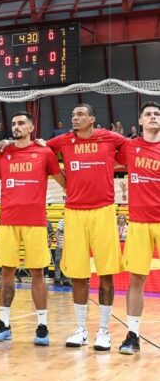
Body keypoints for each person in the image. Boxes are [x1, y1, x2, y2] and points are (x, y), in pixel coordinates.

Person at [44, 104, 126, 350]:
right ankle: (80, 329)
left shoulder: (108, 137)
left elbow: (131, 149)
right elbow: (42, 150)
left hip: (103, 210)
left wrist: (115, 163)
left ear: (92, 119)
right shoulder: (64, 140)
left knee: (106, 273)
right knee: (78, 274)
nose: (75, 118)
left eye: (80, 114)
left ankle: (104, 331)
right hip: (74, 212)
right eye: (73, 115)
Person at [0, 112, 65, 346]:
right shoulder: (3, 153)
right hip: (7, 221)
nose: (16, 126)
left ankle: (42, 326)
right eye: (14, 123)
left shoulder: (44, 153)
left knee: (37, 274)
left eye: (21, 123)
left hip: (35, 222)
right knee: (6, 272)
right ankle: (4, 323)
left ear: (32, 127)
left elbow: (64, 181)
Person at [117, 102, 160, 355]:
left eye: (157, 114)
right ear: (140, 122)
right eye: (148, 114)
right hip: (139, 222)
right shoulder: (130, 147)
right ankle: (132, 335)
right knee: (136, 279)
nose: (153, 117)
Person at [54, 218, 71, 287]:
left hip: (68, 247)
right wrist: (59, 244)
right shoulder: (62, 221)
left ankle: (66, 280)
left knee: (67, 264)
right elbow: (57, 234)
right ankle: (57, 279)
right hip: (61, 246)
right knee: (58, 263)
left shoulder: (72, 222)